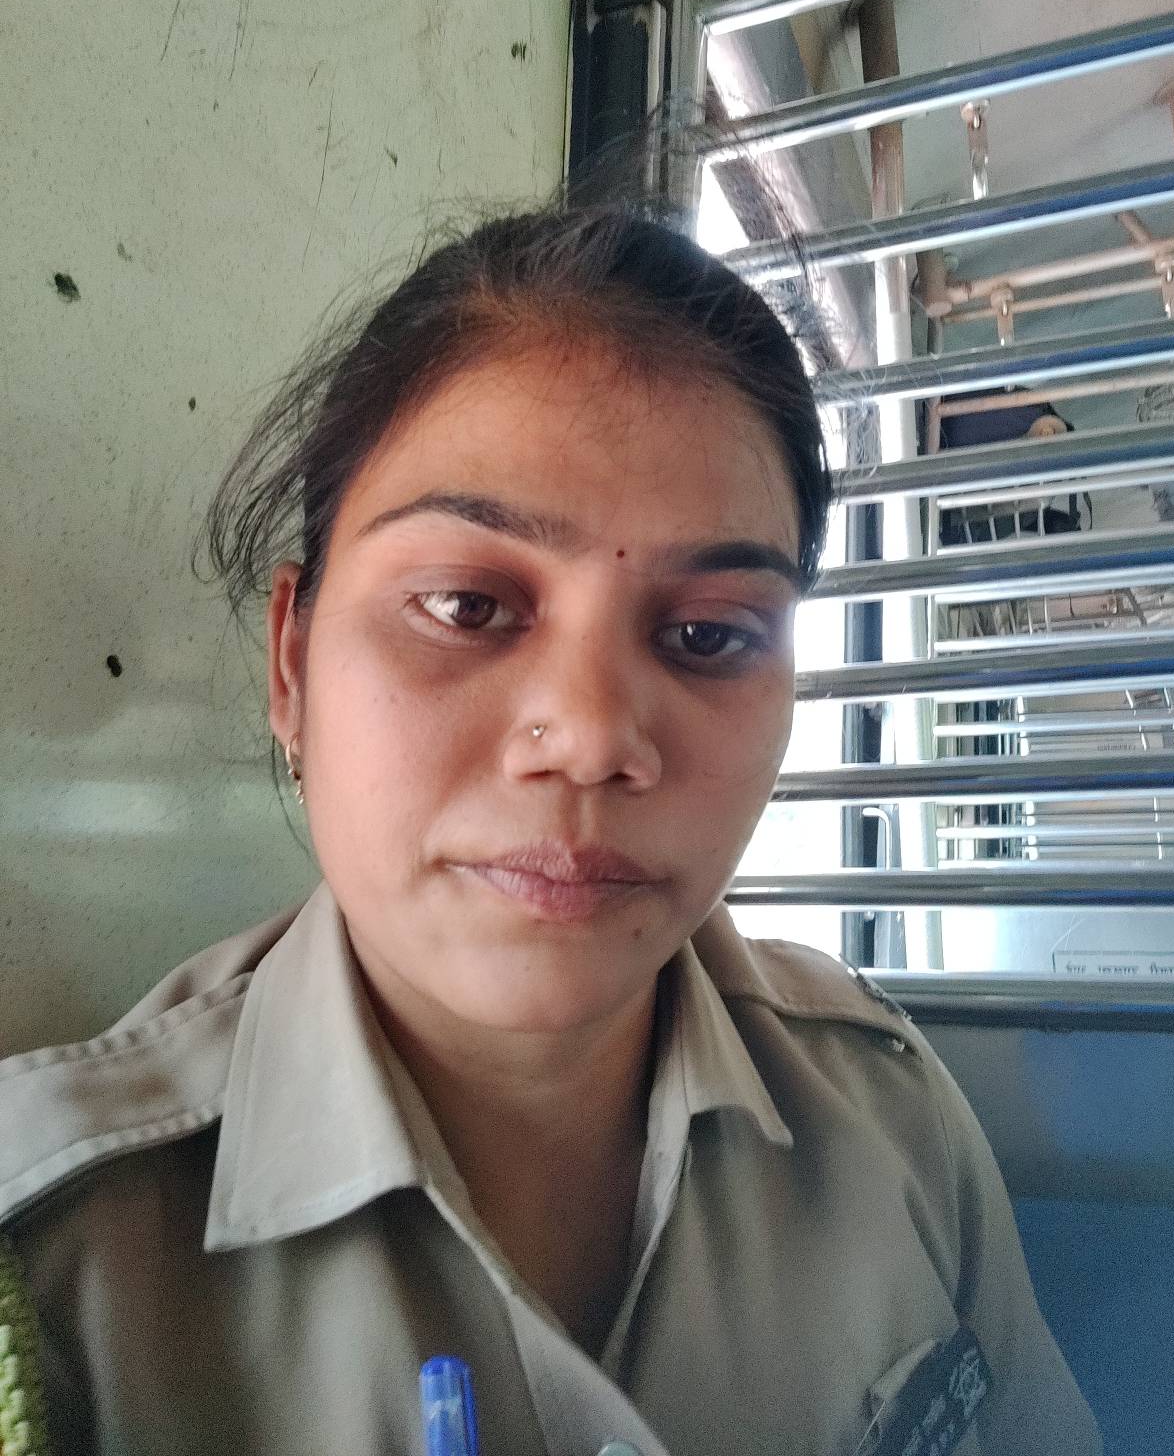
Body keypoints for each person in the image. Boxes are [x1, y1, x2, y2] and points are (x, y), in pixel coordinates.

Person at [0, 204, 1101, 1456]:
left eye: (708, 634)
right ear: (292, 663)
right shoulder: (49, 1277)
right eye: (466, 605)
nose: (588, 736)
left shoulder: (892, 1117)